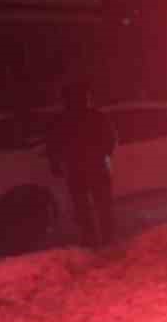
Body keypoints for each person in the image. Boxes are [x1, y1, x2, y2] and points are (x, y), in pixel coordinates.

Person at [46, 81, 117, 248]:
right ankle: (105, 237)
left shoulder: (62, 120)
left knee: (85, 206)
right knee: (101, 204)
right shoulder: (96, 116)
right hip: (93, 166)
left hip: (78, 167)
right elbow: (111, 140)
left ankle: (91, 238)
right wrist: (102, 154)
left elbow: (53, 145)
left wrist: (55, 163)